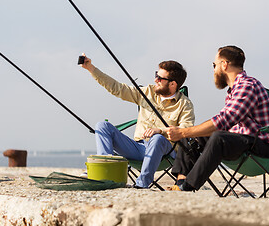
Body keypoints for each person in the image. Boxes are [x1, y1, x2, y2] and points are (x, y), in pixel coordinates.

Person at [165, 46, 269, 191]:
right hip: (245, 141)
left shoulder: (247, 85)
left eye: (214, 65)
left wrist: (184, 132)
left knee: (214, 136)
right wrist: (186, 133)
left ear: (224, 65)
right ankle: (181, 181)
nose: (214, 69)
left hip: (266, 146)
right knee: (192, 135)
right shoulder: (234, 90)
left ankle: (188, 185)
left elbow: (225, 120)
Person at [80, 54, 195, 189]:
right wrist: (90, 68)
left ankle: (142, 184)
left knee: (157, 138)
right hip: (138, 147)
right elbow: (118, 89)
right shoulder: (147, 92)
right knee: (102, 125)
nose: (155, 79)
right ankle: (105, 170)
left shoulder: (184, 104)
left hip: (165, 152)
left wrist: (161, 131)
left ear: (173, 84)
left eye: (160, 78)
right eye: (156, 75)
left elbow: (186, 130)